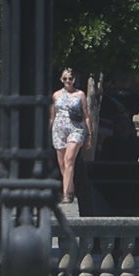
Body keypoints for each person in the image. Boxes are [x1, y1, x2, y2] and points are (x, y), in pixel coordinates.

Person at [53, 67, 90, 206]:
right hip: (59, 130)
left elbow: (86, 115)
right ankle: (71, 188)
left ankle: (66, 194)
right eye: (65, 78)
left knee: (69, 160)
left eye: (71, 78)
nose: (68, 81)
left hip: (76, 129)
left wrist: (89, 134)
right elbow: (52, 116)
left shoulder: (80, 95)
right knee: (62, 163)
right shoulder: (56, 95)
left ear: (74, 80)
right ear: (61, 80)